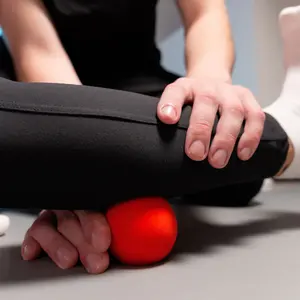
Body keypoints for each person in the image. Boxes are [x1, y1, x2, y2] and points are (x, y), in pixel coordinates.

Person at [0, 0, 295, 274]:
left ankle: (287, 131)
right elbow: (38, 51)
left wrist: (208, 90)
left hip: (141, 87)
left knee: (230, 166)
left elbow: (204, 15)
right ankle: (291, 133)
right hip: (47, 94)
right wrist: (79, 157)